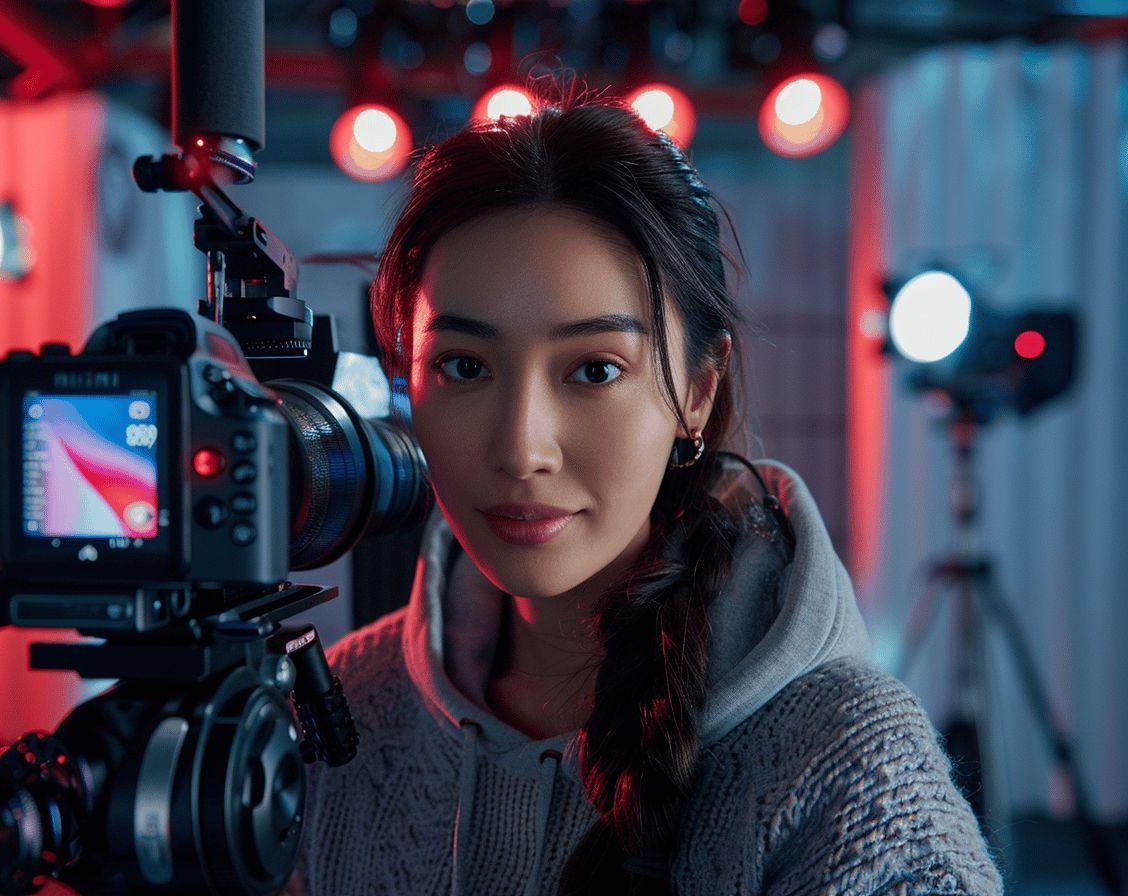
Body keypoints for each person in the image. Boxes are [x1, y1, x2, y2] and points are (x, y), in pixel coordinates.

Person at [289, 85, 1003, 896]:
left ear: (698, 392)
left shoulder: (848, 763)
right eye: (464, 366)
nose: (522, 448)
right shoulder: (346, 711)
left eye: (594, 370)